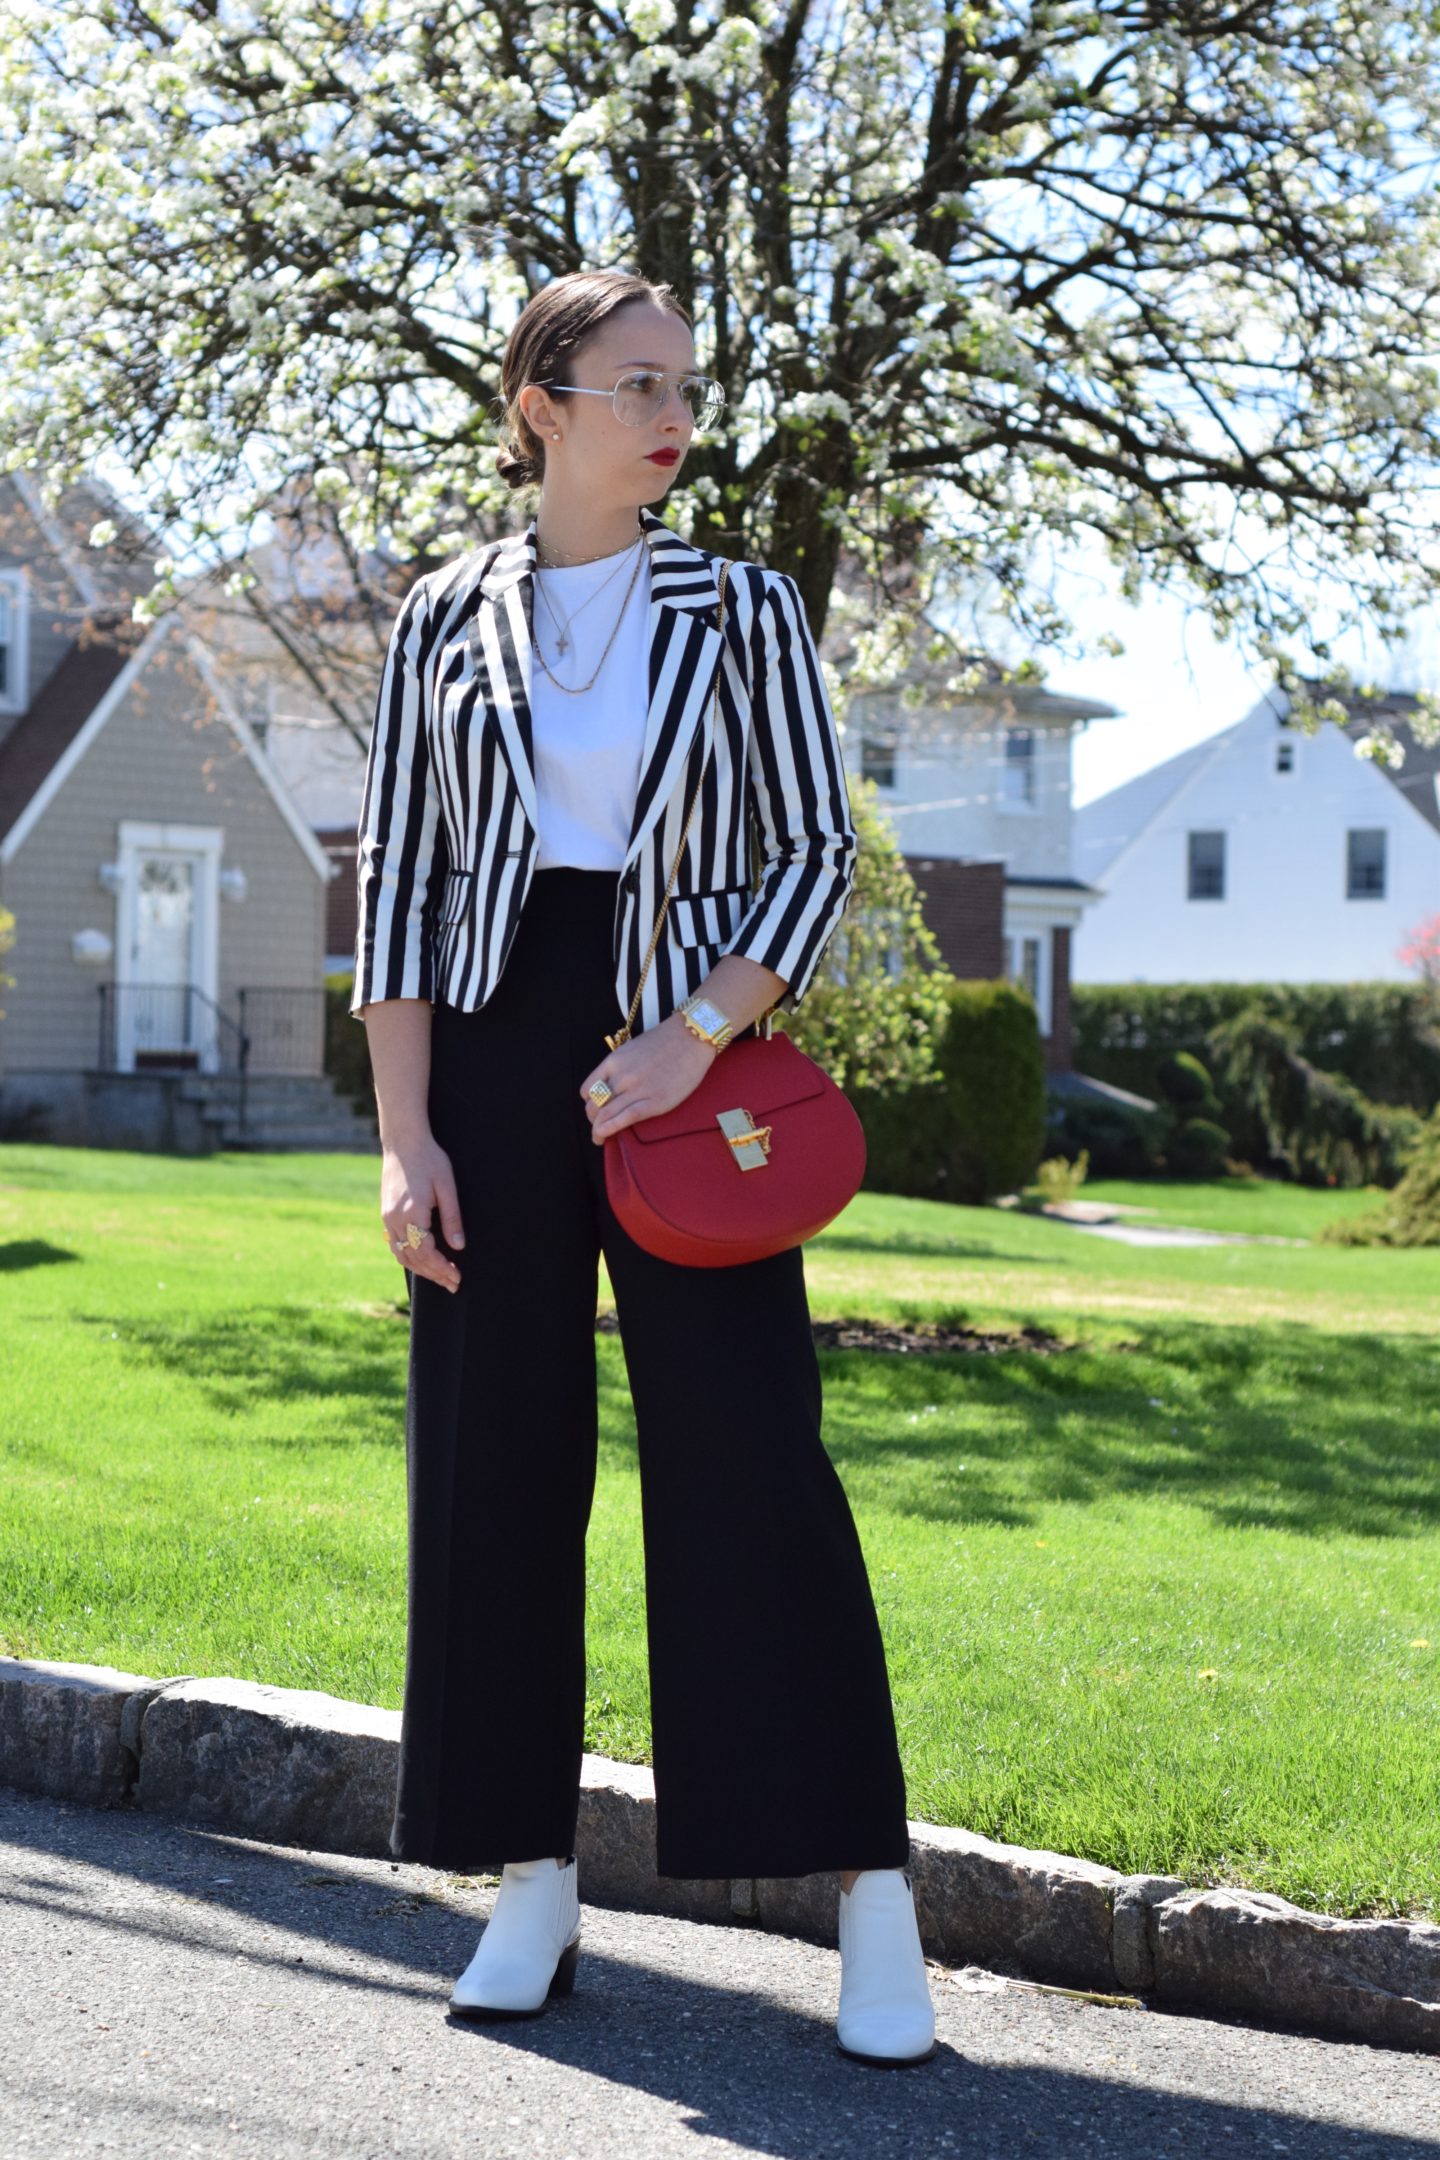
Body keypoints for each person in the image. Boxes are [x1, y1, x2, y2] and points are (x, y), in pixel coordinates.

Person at [352, 267, 937, 2068]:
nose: (673, 414)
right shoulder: (441, 617)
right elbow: (392, 878)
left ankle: (864, 1888)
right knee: (494, 1462)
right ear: (540, 403)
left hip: (685, 1059)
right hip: (495, 1040)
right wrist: (404, 1140)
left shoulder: (746, 609)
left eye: (685, 383)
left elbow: (808, 853)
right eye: (633, 383)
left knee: (749, 1454)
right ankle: (526, 1873)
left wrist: (695, 1025)